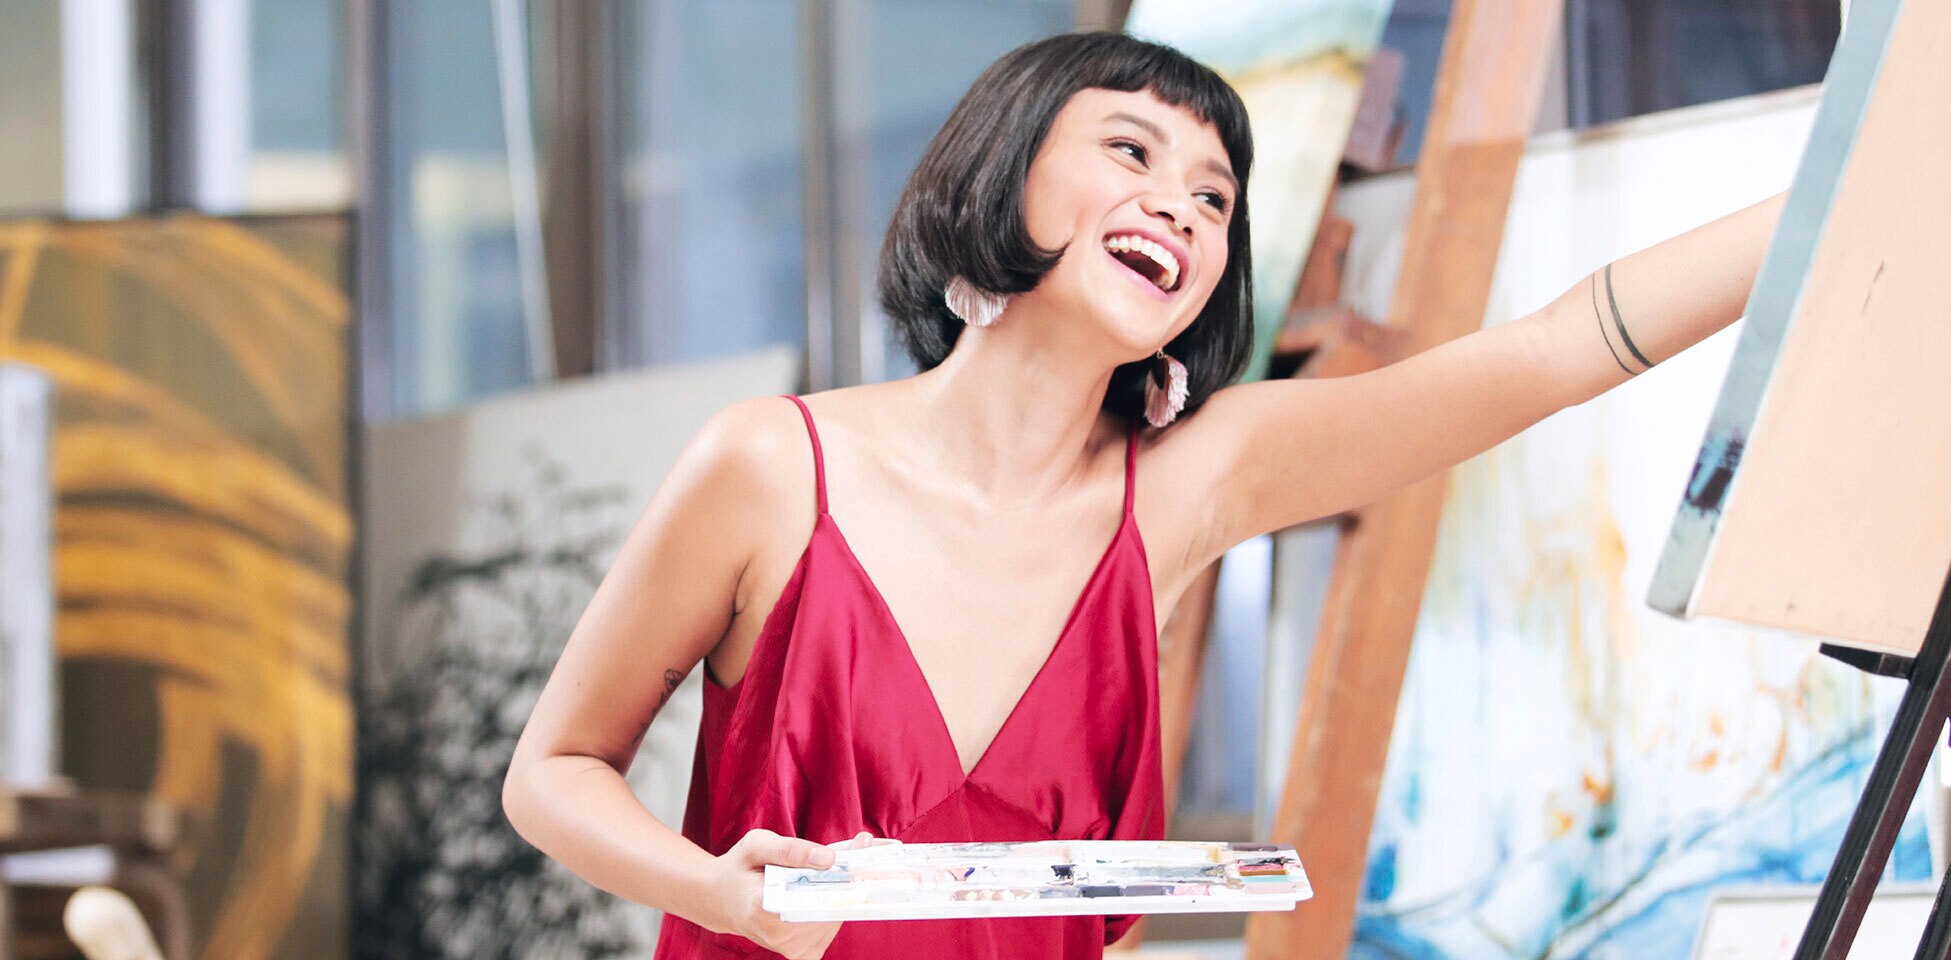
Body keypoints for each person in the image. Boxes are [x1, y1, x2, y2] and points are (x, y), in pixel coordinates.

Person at [502, 31, 1783, 960]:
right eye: (1131, 150)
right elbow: (553, 771)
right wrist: (727, 895)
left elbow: (1544, 355)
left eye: (1215, 196)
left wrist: (1836, 195)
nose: (1180, 201)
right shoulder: (769, 467)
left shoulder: (1185, 489)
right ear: (1003, 171)